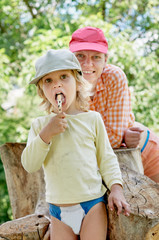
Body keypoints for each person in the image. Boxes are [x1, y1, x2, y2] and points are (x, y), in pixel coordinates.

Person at [21, 49, 130, 240]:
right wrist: (47, 134)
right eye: (48, 80)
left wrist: (116, 188)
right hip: (58, 210)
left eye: (64, 77)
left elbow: (106, 158)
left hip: (92, 205)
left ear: (78, 83)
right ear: (41, 90)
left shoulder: (92, 119)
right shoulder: (40, 125)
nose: (57, 84)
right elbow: (29, 164)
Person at [69, 26, 159, 183]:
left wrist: (120, 137)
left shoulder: (114, 77)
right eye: (80, 56)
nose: (87, 64)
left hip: (145, 154)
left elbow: (114, 139)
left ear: (105, 60)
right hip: (109, 163)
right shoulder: (63, 82)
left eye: (96, 57)